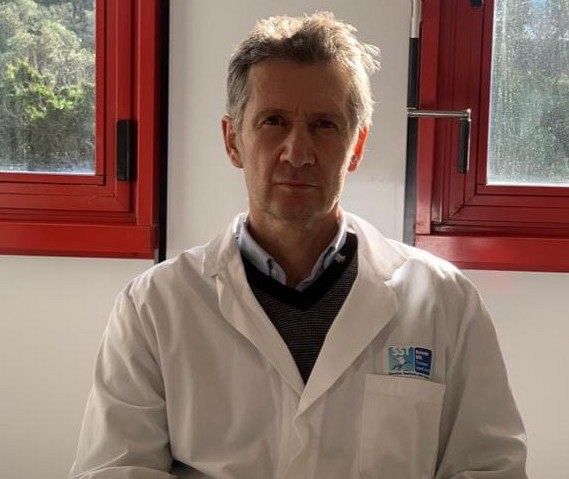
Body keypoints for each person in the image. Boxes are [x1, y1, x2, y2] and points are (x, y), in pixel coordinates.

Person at [69, 12, 527, 479]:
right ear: (233, 140)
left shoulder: (445, 302)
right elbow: (114, 469)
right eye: (273, 121)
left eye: (325, 124)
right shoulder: (154, 307)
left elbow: (491, 469)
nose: (298, 152)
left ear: (357, 146)